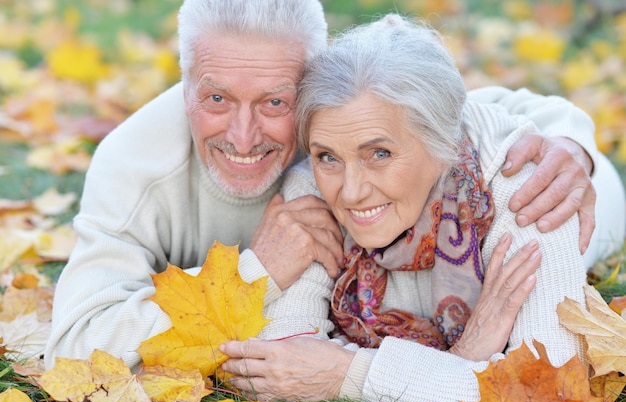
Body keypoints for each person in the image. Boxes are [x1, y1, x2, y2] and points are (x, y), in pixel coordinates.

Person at [44, 0, 607, 371]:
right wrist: (255, 274)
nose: (242, 138)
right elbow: (72, 348)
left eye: (275, 102)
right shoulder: (133, 165)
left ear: (313, 90)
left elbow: (466, 111)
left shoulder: (366, 131)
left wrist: (573, 139)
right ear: (185, 84)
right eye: (216, 98)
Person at [219, 14, 626, 402]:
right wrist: (469, 356)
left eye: (379, 154)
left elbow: (547, 391)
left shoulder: (527, 191)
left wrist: (348, 371)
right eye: (328, 156)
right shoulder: (312, 184)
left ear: (442, 145)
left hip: (599, 197)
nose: (351, 191)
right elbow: (279, 359)